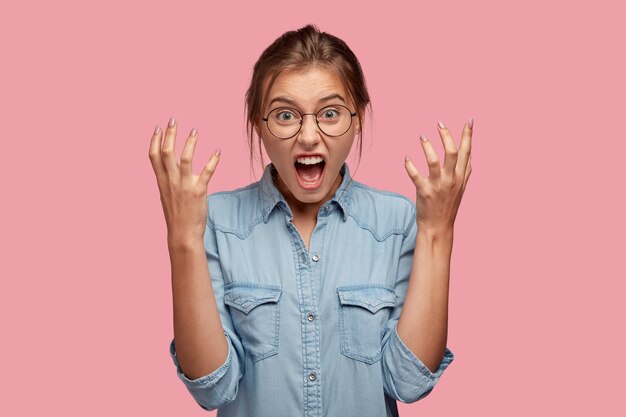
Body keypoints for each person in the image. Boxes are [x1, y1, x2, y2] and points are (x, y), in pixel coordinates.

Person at [149, 24, 472, 417]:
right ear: (258, 124)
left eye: (330, 113)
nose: (308, 136)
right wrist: (183, 239)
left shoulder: (398, 222)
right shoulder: (214, 222)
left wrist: (438, 232)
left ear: (358, 119)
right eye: (285, 115)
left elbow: (408, 382)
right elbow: (213, 388)